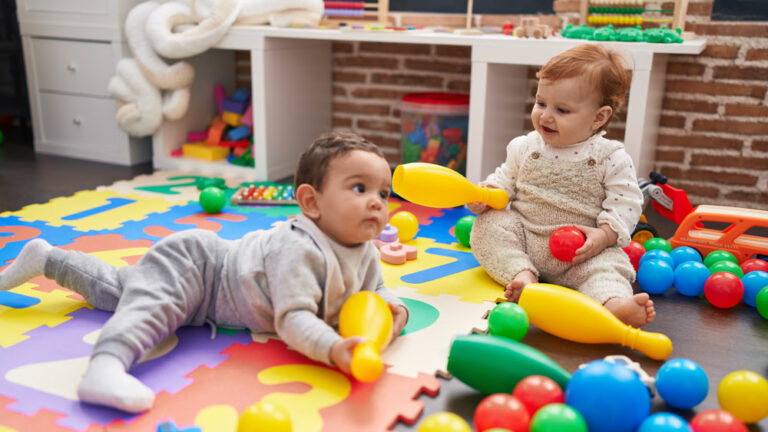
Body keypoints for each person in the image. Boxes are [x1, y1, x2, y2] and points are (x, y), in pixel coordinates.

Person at [0, 131, 409, 413]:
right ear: (311, 202)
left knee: (115, 290)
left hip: (214, 304)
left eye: (384, 192)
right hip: (199, 267)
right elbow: (293, 319)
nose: (376, 202)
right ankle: (105, 367)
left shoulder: (365, 251)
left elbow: (377, 294)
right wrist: (334, 349)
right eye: (360, 189)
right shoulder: (298, 247)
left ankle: (47, 258)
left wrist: (393, 317)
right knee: (148, 309)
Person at [467, 44, 653, 328]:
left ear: (598, 117)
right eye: (541, 103)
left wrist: (603, 236)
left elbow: (626, 202)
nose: (545, 116)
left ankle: (614, 305)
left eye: (562, 110)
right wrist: (487, 195)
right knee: (486, 226)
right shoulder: (524, 146)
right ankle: (522, 275)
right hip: (527, 238)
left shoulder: (609, 157)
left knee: (608, 268)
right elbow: (504, 181)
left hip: (582, 253)